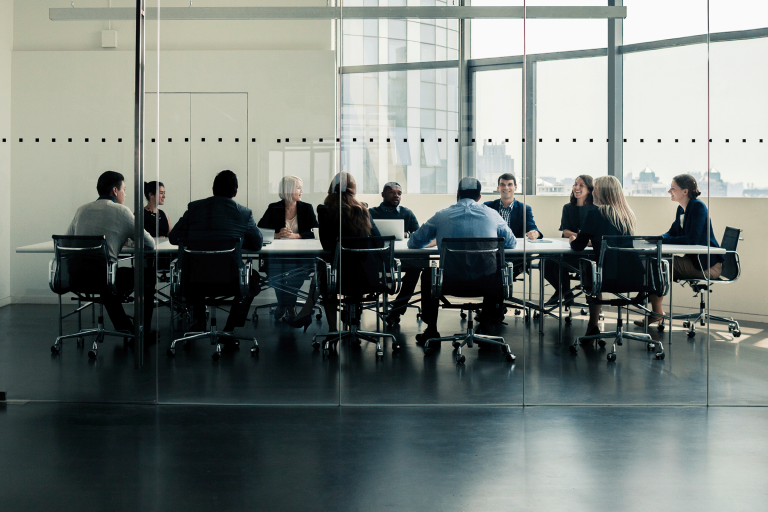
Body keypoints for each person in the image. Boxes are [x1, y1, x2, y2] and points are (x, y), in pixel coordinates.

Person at [408, 177, 516, 344]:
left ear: (457, 194)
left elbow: (414, 242)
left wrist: (437, 236)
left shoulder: (441, 215)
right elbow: (511, 242)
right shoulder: (492, 214)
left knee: (429, 274)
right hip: (486, 283)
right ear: (479, 197)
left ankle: (431, 330)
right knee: (498, 272)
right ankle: (486, 325)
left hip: (450, 282)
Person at [169, 170, 263, 334]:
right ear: (235, 192)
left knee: (197, 268)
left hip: (193, 282)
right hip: (230, 281)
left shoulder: (194, 208)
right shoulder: (244, 213)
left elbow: (173, 237)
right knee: (253, 280)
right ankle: (230, 328)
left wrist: (196, 236)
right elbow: (257, 243)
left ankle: (199, 321)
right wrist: (239, 239)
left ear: (213, 189)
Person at [286, 172, 381, 331]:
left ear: (332, 189)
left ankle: (330, 328)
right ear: (353, 189)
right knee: (329, 271)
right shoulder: (363, 209)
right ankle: (352, 322)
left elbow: (326, 245)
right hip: (367, 276)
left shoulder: (325, 210)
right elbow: (378, 241)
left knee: (324, 272)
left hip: (338, 277)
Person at [64, 171, 156, 333]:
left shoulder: (81, 210)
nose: (125, 195)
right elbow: (149, 244)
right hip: (104, 279)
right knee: (146, 276)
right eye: (124, 190)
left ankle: (124, 326)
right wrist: (128, 240)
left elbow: (65, 242)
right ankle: (143, 331)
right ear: (115, 191)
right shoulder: (121, 211)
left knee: (105, 275)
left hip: (76, 277)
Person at [635, 173, 724, 328]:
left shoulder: (698, 207)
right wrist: (657, 238)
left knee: (658, 265)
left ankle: (654, 309)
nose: (670, 191)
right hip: (695, 262)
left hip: (707, 266)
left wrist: (660, 240)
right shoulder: (681, 209)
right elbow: (672, 233)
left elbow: (692, 239)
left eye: (673, 188)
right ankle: (653, 308)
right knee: (655, 263)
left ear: (685, 191)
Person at [569, 175, 637, 338]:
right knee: (596, 268)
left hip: (606, 276)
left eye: (595, 189)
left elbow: (579, 246)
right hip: (632, 275)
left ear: (600, 192)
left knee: (591, 268)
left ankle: (593, 324)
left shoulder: (595, 213)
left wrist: (573, 239)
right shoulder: (627, 215)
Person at [257, 175, 319, 321]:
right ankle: (289, 306)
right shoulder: (274, 208)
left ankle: (284, 306)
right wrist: (277, 235)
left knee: (297, 273)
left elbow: (316, 232)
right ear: (289, 190)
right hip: (277, 256)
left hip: (301, 257)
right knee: (275, 273)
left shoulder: (306, 208)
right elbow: (259, 230)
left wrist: (296, 236)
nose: (301, 191)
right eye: (298, 187)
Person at [369, 181, 423, 324]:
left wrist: (406, 235)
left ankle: (397, 309)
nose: (396, 196)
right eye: (392, 192)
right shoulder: (370, 213)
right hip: (377, 258)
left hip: (400, 258)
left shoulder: (407, 213)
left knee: (416, 268)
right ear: (383, 194)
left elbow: (418, 234)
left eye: (399, 193)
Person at [543, 175, 598, 305]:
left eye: (581, 185)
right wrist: (578, 237)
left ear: (589, 189)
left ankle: (563, 294)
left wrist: (579, 239)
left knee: (557, 263)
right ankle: (565, 292)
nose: (576, 187)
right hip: (568, 247)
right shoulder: (568, 207)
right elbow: (565, 231)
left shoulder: (595, 209)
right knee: (544, 262)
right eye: (575, 184)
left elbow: (594, 235)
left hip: (585, 252)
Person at [484, 173, 543, 240]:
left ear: (515, 187)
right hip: (493, 246)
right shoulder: (488, 207)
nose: (506, 188)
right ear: (498, 188)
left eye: (510, 184)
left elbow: (531, 226)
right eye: (502, 185)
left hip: (515, 248)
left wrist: (535, 233)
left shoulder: (524, 209)